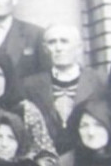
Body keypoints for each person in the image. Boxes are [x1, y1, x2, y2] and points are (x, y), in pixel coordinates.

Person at [22, 24, 101, 154]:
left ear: (79, 48)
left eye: (64, 41)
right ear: (45, 49)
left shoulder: (98, 82)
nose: (58, 48)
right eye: (52, 42)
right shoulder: (30, 85)